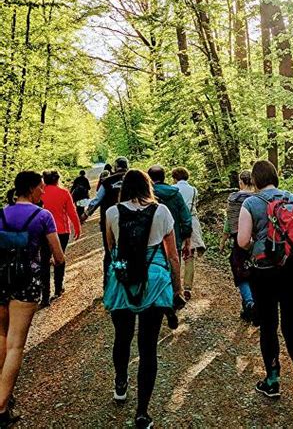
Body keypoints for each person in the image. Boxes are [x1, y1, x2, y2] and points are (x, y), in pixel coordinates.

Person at [103, 169, 183, 429]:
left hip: (123, 282)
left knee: (122, 337)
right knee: (148, 347)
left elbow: (112, 250)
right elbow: (172, 256)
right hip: (155, 282)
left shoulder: (112, 213)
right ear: (149, 186)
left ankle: (120, 382)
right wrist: (177, 289)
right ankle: (142, 412)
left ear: (124, 188)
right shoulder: (161, 211)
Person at [237, 160, 293, 414]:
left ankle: (272, 381)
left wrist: (256, 248)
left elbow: (242, 241)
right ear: (275, 176)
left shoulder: (251, 203)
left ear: (256, 180)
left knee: (269, 327)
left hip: (265, 274)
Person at [0, 171, 65, 427]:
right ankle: (2, 406)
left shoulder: (1, 214)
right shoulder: (43, 216)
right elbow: (59, 256)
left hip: (0, 281)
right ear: (31, 188)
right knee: (16, 344)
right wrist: (51, 261)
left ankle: (3, 393)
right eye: (40, 187)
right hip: (26, 284)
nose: (43, 191)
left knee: (2, 336)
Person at [82, 157, 129, 284]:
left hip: (108, 221)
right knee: (130, 250)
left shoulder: (107, 181)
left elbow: (97, 200)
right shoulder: (133, 179)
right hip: (131, 221)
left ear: (115, 167)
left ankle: (108, 284)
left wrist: (86, 214)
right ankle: (129, 282)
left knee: (110, 252)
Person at [40, 171, 81, 306]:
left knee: (44, 261)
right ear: (58, 179)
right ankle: (58, 288)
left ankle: (45, 295)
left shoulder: (39, 193)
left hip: (43, 232)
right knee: (60, 258)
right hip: (61, 231)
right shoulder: (63, 192)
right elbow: (72, 211)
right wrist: (77, 227)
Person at [220, 170, 255, 323]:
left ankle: (249, 303)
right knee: (255, 271)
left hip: (239, 239)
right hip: (257, 240)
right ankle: (253, 306)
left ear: (241, 181)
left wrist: (223, 239)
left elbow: (229, 221)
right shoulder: (258, 198)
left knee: (240, 271)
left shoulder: (233, 198)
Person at [171, 167, 205, 301]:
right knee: (190, 256)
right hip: (192, 223)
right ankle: (187, 287)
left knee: (175, 255)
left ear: (175, 177)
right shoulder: (194, 190)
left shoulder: (172, 189)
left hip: (176, 223)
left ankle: (176, 286)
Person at [147, 165, 192, 261]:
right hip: (174, 239)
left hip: (150, 241)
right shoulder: (176, 195)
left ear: (148, 178)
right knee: (174, 266)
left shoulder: (145, 195)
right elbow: (186, 218)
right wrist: (187, 239)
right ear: (164, 177)